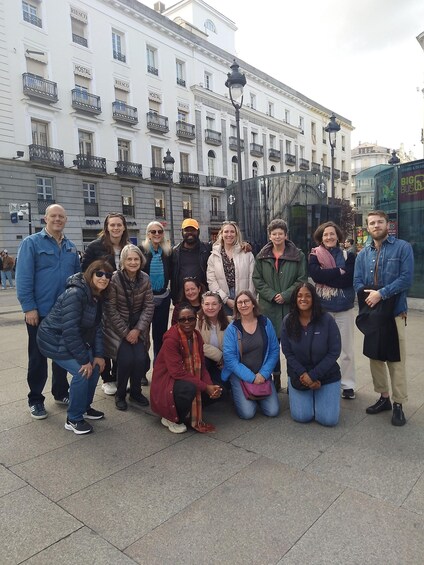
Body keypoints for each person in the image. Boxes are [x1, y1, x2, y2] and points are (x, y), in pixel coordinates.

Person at [16, 204, 80, 419]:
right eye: (53, 216)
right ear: (45, 219)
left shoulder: (71, 247)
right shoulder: (31, 243)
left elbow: (77, 279)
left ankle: (61, 392)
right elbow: (23, 278)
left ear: (66, 220)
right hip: (40, 312)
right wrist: (29, 308)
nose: (57, 219)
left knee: (62, 355)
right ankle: (35, 399)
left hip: (64, 313)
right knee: (37, 358)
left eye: (61, 216)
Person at [36, 260, 112, 434]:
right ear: (90, 274)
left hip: (75, 338)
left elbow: (97, 328)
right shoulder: (76, 293)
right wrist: (84, 360)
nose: (104, 278)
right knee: (82, 372)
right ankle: (73, 418)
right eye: (99, 274)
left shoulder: (98, 295)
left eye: (108, 275)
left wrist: (99, 355)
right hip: (54, 339)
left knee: (95, 367)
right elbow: (69, 330)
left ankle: (84, 407)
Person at [353, 210, 414, 426]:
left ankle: (398, 404)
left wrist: (381, 294)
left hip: (395, 312)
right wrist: (370, 298)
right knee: (375, 358)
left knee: (396, 360)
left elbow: (406, 278)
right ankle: (384, 398)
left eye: (380, 222)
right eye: (372, 223)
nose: (376, 225)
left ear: (388, 224)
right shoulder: (362, 254)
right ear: (368, 227)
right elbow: (357, 281)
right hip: (373, 314)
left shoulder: (402, 247)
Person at [252, 219, 307, 391]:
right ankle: (275, 380)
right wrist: (271, 295)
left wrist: (285, 295)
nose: (277, 236)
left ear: (285, 235)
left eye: (280, 233)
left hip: (291, 307)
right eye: (274, 234)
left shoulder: (298, 255)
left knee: (293, 347)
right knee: (271, 347)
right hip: (268, 308)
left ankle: (293, 380)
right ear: (270, 236)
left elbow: (302, 279)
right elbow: (257, 279)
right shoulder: (261, 256)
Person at [150, 303, 222, 434]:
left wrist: (210, 386)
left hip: (184, 378)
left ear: (196, 319)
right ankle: (170, 418)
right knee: (190, 388)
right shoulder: (171, 339)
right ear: (177, 322)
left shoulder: (196, 336)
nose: (187, 322)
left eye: (191, 319)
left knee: (219, 389)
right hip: (167, 382)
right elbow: (177, 373)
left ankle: (187, 409)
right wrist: (205, 387)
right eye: (182, 320)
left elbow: (202, 365)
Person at [81, 212, 130, 395]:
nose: (116, 228)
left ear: (124, 227)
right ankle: (107, 378)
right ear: (107, 227)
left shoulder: (128, 247)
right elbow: (85, 271)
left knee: (119, 335)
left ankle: (117, 374)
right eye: (112, 225)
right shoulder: (95, 246)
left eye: (119, 225)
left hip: (122, 299)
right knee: (101, 335)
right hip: (100, 297)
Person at [281, 282, 342, 426]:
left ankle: (323, 396)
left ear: (314, 298)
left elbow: (334, 352)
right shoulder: (288, 321)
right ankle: (311, 396)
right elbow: (288, 352)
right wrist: (305, 376)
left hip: (326, 374)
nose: (303, 299)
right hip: (299, 375)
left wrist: (313, 376)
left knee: (328, 420)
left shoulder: (327, 320)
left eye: (308, 296)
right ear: (295, 299)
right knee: (302, 416)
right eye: (299, 296)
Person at [103, 244, 154, 411]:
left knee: (140, 359)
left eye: (136, 259)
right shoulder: (115, 279)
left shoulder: (145, 278)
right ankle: (120, 394)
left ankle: (135, 392)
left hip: (138, 328)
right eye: (129, 259)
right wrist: (126, 333)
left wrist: (137, 330)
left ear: (141, 260)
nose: (133, 262)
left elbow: (149, 306)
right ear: (123, 261)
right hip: (119, 330)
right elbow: (110, 309)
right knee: (125, 360)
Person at [308, 221, 356, 399]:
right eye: (325, 234)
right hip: (323, 308)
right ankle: (325, 380)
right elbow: (316, 275)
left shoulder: (348, 255)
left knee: (346, 349)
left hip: (344, 307)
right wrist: (339, 271)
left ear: (337, 236)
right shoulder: (314, 255)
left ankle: (348, 385)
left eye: (332, 234)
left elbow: (348, 279)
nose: (329, 237)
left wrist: (328, 276)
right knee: (322, 347)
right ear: (320, 237)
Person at [222, 290, 280, 420]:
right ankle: (239, 393)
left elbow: (274, 350)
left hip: (261, 374)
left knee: (273, 411)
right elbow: (230, 359)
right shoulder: (232, 328)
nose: (243, 305)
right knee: (248, 413)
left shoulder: (265, 323)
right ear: (236, 307)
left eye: (246, 301)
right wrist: (251, 378)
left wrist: (263, 374)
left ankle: (254, 395)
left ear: (253, 304)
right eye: (240, 303)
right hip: (240, 375)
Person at [207, 221, 255, 315]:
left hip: (244, 300)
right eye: (226, 231)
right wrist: (225, 299)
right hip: (223, 300)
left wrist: (247, 298)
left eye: (232, 232)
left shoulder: (247, 254)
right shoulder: (213, 256)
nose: (229, 235)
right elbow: (211, 280)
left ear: (237, 234)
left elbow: (252, 278)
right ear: (221, 234)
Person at [141, 221, 172, 360]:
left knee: (160, 335)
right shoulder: (141, 251)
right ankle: (142, 366)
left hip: (163, 297)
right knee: (143, 335)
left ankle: (158, 365)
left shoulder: (168, 252)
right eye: (153, 231)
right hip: (145, 299)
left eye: (160, 231)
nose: (157, 234)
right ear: (148, 234)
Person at [170, 218, 210, 304]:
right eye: (187, 230)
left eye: (193, 230)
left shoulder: (207, 249)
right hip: (181, 297)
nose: (190, 233)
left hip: (203, 297)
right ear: (182, 232)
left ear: (198, 232)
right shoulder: (175, 252)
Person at [197, 290, 229, 386]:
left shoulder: (229, 322)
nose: (210, 307)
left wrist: (225, 358)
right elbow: (198, 344)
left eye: (214, 304)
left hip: (224, 364)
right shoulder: (196, 322)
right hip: (205, 364)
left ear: (220, 306)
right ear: (202, 306)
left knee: (225, 386)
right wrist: (219, 356)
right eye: (207, 304)